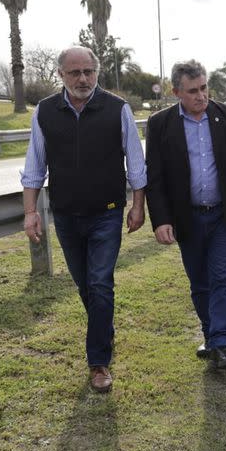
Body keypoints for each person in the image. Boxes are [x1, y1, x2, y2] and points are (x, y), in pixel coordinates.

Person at [21, 46, 147, 393]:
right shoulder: (45, 112)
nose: (83, 79)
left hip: (106, 213)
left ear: (97, 72)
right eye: (75, 72)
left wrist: (139, 204)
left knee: (100, 284)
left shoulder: (117, 109)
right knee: (85, 286)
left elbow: (136, 162)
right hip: (65, 215)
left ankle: (98, 362)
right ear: (60, 75)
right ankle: (104, 331)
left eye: (89, 71)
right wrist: (31, 212)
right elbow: (34, 167)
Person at [145, 60, 226, 370]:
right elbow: (154, 178)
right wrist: (162, 220)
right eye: (193, 91)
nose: (201, 96)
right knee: (199, 282)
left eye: (204, 88)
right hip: (187, 218)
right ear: (176, 92)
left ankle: (222, 343)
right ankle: (211, 336)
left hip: (224, 216)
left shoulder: (224, 115)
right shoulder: (160, 124)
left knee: (222, 277)